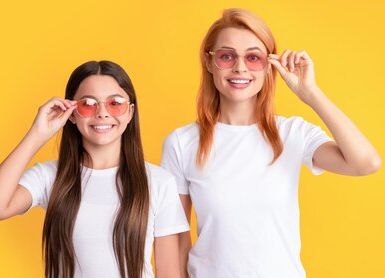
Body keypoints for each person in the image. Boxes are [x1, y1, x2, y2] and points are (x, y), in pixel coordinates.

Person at [161, 8, 381, 278]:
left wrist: (310, 93)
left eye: (253, 57)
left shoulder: (293, 133)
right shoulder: (182, 143)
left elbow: (366, 163)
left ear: (269, 64)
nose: (240, 67)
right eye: (226, 56)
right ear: (209, 62)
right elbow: (175, 241)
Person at [0, 60, 190, 278]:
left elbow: (170, 273)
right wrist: (37, 134)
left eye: (115, 103)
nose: (102, 113)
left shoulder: (159, 182)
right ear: (72, 114)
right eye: (88, 104)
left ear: (130, 112)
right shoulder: (50, 177)